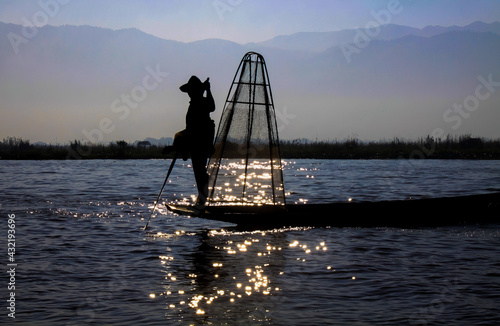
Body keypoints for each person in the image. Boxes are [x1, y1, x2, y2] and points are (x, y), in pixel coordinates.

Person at [164, 76, 215, 208]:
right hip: (195, 138)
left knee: (199, 170)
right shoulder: (195, 102)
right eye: (189, 92)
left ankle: (202, 199)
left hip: (200, 140)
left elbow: (212, 107)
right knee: (199, 170)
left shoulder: (201, 102)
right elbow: (191, 128)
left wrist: (208, 90)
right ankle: (202, 197)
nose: (189, 94)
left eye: (191, 91)